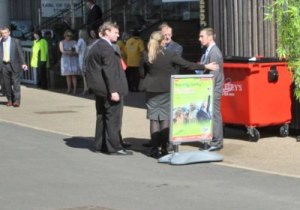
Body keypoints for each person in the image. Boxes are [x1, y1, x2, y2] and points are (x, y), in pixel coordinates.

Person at [140, 29, 210, 156]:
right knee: (166, 118)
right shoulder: (170, 54)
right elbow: (187, 65)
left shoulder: (146, 54)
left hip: (150, 89)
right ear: (162, 42)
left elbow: (141, 73)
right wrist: (205, 66)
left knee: (154, 119)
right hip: (167, 89)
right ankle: (165, 148)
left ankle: (154, 149)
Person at [83, 21, 131, 154]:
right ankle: (114, 147)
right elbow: (109, 71)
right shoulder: (105, 47)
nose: (118, 34)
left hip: (100, 89)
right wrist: (114, 91)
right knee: (113, 119)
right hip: (108, 90)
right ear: (107, 32)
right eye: (115, 32)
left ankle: (100, 145)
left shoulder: (96, 46)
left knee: (102, 116)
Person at [197, 27, 225, 151]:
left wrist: (207, 88)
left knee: (215, 115)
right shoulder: (208, 51)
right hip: (210, 89)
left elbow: (214, 74)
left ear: (210, 37)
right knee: (211, 114)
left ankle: (217, 142)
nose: (199, 39)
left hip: (213, 89)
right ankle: (213, 140)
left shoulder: (214, 52)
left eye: (202, 36)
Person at [0, 24, 29, 107]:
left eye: (5, 33)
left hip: (14, 64)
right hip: (3, 65)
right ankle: (10, 99)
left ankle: (17, 100)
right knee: (6, 84)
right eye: (2, 33)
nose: (4, 35)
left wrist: (23, 63)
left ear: (9, 33)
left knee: (15, 83)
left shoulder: (15, 41)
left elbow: (20, 53)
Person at [59, 30, 85, 94]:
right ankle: (69, 88)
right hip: (65, 59)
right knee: (67, 75)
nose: (69, 37)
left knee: (73, 75)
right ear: (65, 35)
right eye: (68, 35)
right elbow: (62, 51)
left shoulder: (74, 42)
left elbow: (78, 51)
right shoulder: (62, 42)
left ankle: (75, 89)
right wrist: (69, 52)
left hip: (73, 58)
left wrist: (73, 53)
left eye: (70, 36)